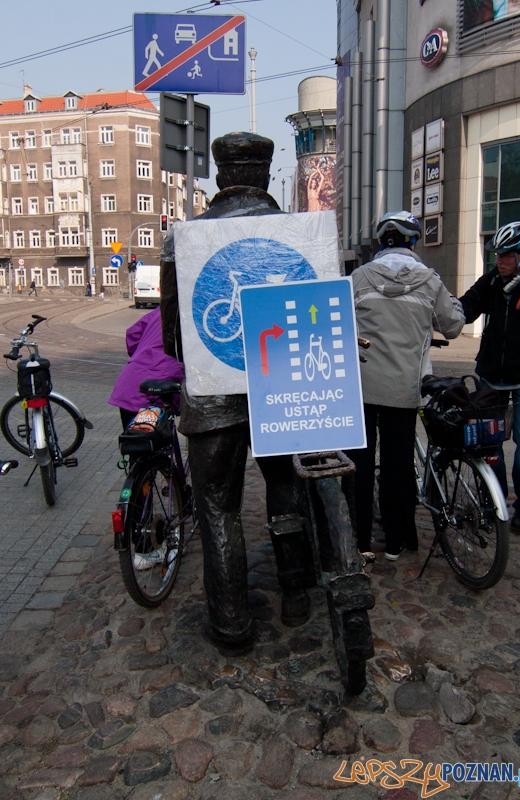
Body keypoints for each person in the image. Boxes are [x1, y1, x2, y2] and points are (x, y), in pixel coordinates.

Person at [160, 132, 318, 653]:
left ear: (221, 176)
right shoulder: (299, 232)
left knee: (217, 506)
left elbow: (171, 339)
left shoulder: (182, 239)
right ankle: (296, 593)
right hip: (283, 386)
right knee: (287, 486)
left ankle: (231, 625)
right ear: (266, 174)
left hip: (212, 397)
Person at [348, 211, 465, 561]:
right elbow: (453, 326)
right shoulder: (430, 280)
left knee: (359, 463)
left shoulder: (358, 277)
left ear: (381, 242)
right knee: (398, 464)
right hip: (404, 388)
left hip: (362, 386)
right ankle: (396, 541)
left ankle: (359, 540)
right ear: (413, 242)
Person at [460, 220, 520, 530]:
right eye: (497, 255)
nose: (499, 261)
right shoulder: (491, 281)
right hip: (492, 374)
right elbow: (467, 307)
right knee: (489, 441)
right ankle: (495, 501)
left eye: (505, 255)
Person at [108, 306, 184, 430]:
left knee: (134, 438)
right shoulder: (198, 314)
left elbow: (133, 334)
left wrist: (142, 358)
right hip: (159, 391)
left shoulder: (164, 309)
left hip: (132, 381)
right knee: (159, 437)